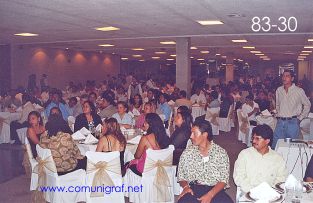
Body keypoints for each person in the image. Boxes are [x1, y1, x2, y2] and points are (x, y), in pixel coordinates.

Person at [177, 119, 233, 203]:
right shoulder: (187, 153)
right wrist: (185, 187)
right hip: (193, 189)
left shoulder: (220, 153)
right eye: (191, 133)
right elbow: (181, 176)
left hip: (215, 190)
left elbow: (223, 180)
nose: (191, 136)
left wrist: (210, 195)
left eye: (194, 133)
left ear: (205, 135)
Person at [233, 124, 287, 193]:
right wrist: (253, 191)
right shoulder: (245, 154)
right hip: (248, 192)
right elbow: (239, 176)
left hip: (269, 193)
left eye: (257, 138)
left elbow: (282, 178)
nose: (254, 141)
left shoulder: (277, 158)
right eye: (253, 138)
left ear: (267, 141)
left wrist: (270, 190)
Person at [272, 70, 311, 148]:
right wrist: (276, 114)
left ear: (292, 78)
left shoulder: (299, 91)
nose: (284, 78)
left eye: (287, 76)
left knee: (292, 147)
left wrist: (300, 118)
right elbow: (278, 105)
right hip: (280, 122)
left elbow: (307, 105)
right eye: (283, 76)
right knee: (276, 145)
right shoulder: (279, 90)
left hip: (292, 123)